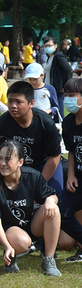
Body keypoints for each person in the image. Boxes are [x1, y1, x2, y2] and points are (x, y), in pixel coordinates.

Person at [0, 140, 61, 276]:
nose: (2, 163)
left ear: (20, 162)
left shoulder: (32, 176)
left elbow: (52, 195)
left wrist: (50, 200)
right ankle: (11, 255)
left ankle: (48, 260)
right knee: (22, 242)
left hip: (32, 224)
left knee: (53, 209)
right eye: (0, 159)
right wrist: (7, 246)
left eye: (8, 159)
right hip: (10, 230)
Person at [0, 81, 63, 195]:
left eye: (19, 102)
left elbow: (54, 157)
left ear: (31, 103)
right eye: (10, 101)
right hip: (16, 166)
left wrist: (39, 186)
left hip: (44, 164)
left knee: (53, 199)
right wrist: (2, 180)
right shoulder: (2, 123)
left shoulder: (46, 123)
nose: (13, 105)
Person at [57, 78, 82, 262]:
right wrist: (71, 175)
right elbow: (71, 150)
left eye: (72, 96)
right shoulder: (67, 123)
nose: (68, 100)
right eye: (66, 96)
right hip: (78, 179)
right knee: (62, 211)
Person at [43, 36, 73, 118]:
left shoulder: (58, 57)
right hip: (48, 88)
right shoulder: (49, 58)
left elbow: (68, 70)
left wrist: (66, 86)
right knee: (50, 111)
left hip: (57, 89)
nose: (47, 47)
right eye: (45, 46)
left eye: (49, 45)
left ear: (55, 46)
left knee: (58, 112)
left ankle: (61, 129)